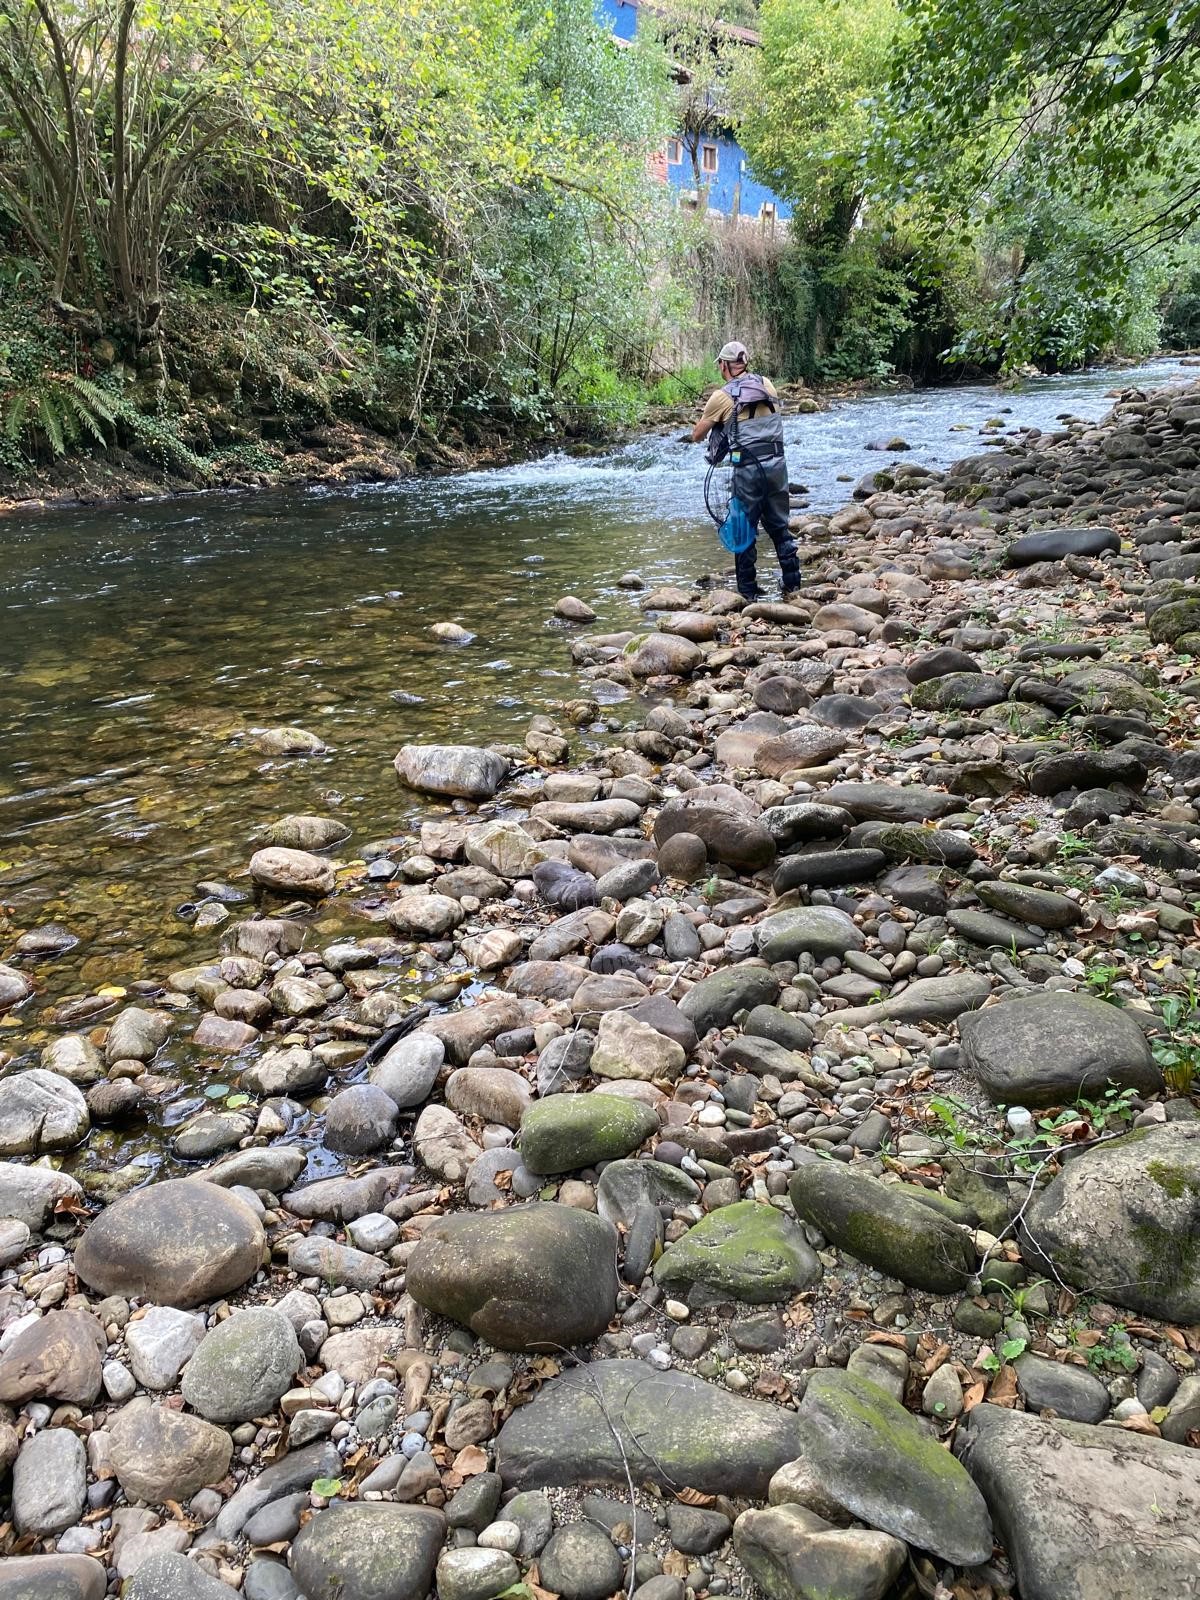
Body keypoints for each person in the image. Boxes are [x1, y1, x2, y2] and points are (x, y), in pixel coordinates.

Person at [691, 339, 801, 601]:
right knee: (779, 527)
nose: (720, 368)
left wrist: (716, 420)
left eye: (720, 364)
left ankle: (748, 594)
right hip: (777, 466)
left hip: (749, 471)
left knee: (744, 528)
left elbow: (697, 435)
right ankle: (794, 587)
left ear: (725, 365)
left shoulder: (721, 396)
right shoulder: (767, 384)